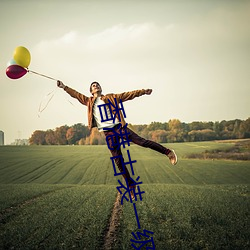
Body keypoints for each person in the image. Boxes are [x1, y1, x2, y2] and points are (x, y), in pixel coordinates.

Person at [57, 80, 177, 198]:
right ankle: (131, 185)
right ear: (91, 91)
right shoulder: (88, 101)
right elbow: (75, 94)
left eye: (97, 84)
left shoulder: (111, 97)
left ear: (100, 88)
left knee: (142, 142)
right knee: (118, 160)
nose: (96, 86)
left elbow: (128, 95)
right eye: (93, 86)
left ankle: (168, 152)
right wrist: (64, 86)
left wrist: (143, 91)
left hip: (119, 127)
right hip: (108, 133)